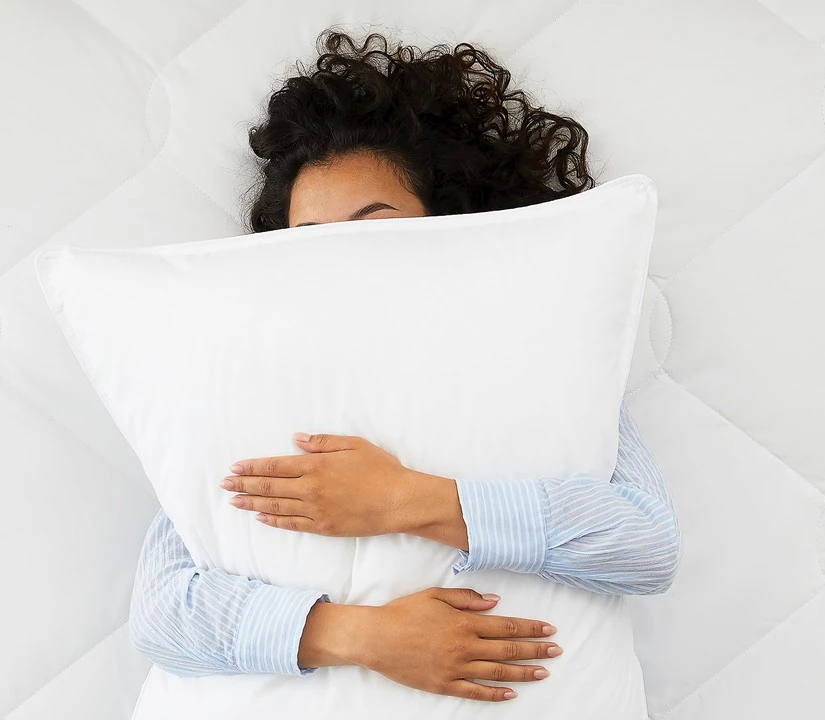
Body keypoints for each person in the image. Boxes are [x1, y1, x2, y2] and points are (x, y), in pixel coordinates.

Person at [128, 29, 681, 705]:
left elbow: (643, 545)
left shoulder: (531, 361)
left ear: (448, 221)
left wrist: (401, 500)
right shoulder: (252, 385)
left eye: (375, 227)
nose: (346, 263)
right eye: (311, 244)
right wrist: (367, 638)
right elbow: (162, 609)